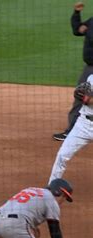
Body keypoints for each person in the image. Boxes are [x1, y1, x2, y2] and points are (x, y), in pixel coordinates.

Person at [53, 2, 93, 141]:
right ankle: (73, 130)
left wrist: (87, 30)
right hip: (90, 67)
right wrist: (76, 13)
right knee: (82, 95)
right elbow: (77, 30)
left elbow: (88, 33)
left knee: (82, 95)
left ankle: (72, 132)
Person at [49, 74, 93, 184]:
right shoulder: (91, 77)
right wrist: (84, 98)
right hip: (83, 124)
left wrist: (88, 99)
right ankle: (51, 187)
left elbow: (88, 99)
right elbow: (85, 98)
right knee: (62, 155)